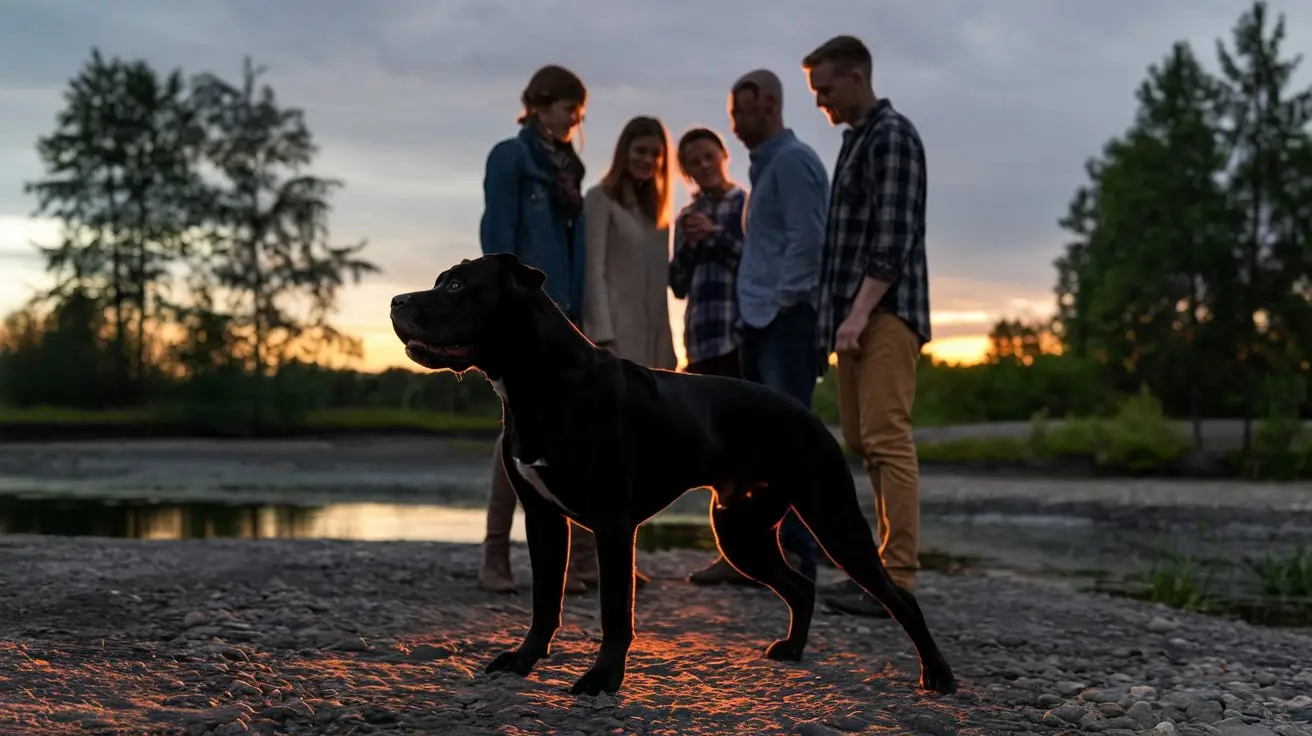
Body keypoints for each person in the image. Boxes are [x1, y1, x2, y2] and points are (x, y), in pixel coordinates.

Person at [803, 35, 932, 617]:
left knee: (885, 438)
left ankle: (896, 579)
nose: (820, 101)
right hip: (854, 319)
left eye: (825, 89)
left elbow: (894, 237)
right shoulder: (856, 142)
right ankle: (879, 569)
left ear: (856, 78)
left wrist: (858, 314)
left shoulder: (893, 136)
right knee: (859, 439)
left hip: (885, 314)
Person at [686, 69, 829, 586]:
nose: (734, 123)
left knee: (790, 441)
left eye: (740, 112)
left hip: (783, 324)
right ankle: (762, 555)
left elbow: (808, 241)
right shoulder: (768, 168)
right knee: (761, 447)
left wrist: (777, 306)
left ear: (768, 104)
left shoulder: (792, 163)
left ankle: (801, 560)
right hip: (761, 324)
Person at [476, 64, 596, 595]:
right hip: (522, 312)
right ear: (543, 104)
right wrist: (505, 309)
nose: (575, 119)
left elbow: (576, 249)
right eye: (571, 108)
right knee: (516, 431)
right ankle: (495, 558)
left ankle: (572, 563)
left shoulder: (571, 167)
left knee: (566, 432)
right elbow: (497, 238)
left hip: (564, 314)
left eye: (578, 111)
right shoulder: (511, 156)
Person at [578, 114, 680, 590]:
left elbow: (662, 288)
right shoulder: (599, 201)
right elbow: (593, 268)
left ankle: (617, 559)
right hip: (611, 341)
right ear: (624, 152)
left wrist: (668, 346)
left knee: (633, 458)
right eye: (641, 151)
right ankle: (583, 561)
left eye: (656, 155)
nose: (648, 161)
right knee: (596, 452)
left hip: (650, 341)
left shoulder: (658, 214)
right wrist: (601, 335)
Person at [668, 127, 747, 379]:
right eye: (694, 162)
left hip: (737, 334)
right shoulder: (686, 216)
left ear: (724, 156)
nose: (704, 166)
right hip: (700, 339)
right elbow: (678, 286)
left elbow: (753, 265)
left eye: (709, 157)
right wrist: (689, 246)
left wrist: (713, 234)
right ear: (686, 172)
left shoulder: (744, 204)